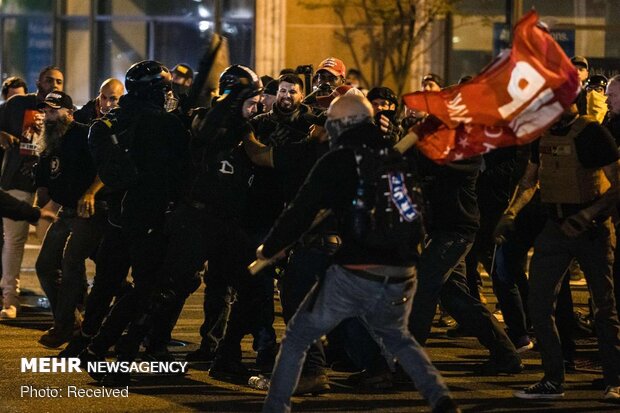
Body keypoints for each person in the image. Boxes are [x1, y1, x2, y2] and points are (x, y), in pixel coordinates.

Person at [258, 94, 459, 413]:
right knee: (398, 337)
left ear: (342, 125)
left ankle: (276, 406)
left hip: (358, 266)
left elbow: (301, 210)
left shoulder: (339, 159)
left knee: (297, 336)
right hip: (403, 269)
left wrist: (269, 249)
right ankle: (440, 398)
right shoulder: (393, 155)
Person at [495, 103, 620, 400]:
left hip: (592, 231)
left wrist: (589, 215)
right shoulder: (545, 135)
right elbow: (530, 180)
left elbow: (618, 183)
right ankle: (553, 378)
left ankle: (615, 380)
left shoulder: (592, 133)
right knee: (538, 305)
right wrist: (510, 213)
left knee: (604, 307)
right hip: (555, 226)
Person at [81, 60, 190, 385]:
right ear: (155, 91)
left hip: (119, 216)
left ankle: (97, 346)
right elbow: (179, 167)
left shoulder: (118, 117)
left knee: (129, 286)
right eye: (166, 88)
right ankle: (115, 354)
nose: (170, 94)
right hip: (150, 216)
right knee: (152, 289)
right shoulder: (161, 123)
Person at [33, 91, 106, 348]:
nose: (49, 116)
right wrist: (35, 208)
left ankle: (64, 326)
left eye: (54, 110)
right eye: (46, 111)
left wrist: (90, 193)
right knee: (44, 266)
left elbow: (105, 168)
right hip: (65, 211)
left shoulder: (85, 134)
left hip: (89, 211)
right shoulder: (48, 141)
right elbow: (43, 185)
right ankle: (71, 319)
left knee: (71, 261)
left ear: (69, 113)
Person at [0, 65, 64, 319]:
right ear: (38, 81)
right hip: (17, 180)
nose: (55, 85)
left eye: (59, 81)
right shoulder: (16, 104)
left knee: (51, 246)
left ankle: (59, 302)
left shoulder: (63, 109)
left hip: (47, 188)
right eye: (50, 80)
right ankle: (9, 300)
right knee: (14, 242)